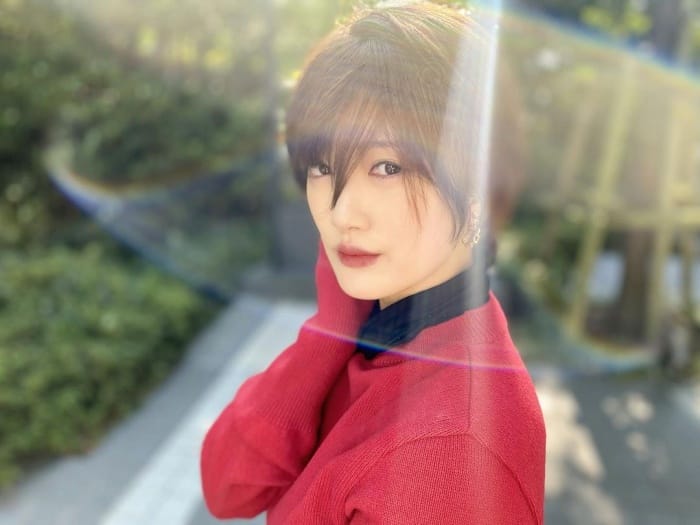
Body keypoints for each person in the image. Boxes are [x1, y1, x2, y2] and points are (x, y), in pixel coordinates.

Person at [200, 2, 545, 523]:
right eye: (322, 166)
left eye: (387, 166)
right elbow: (228, 487)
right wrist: (330, 331)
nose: (341, 213)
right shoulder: (385, 336)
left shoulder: (444, 454)